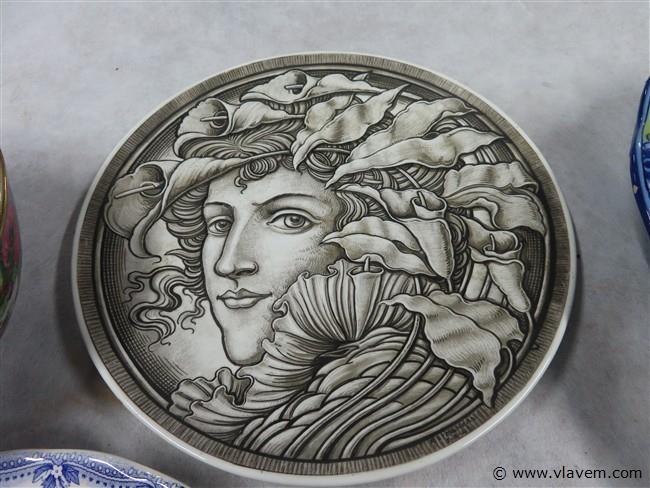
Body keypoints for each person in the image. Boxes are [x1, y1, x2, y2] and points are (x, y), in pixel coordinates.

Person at [105, 70, 541, 459]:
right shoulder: (258, 412)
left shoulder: (391, 402)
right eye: (219, 224)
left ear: (383, 240)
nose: (229, 263)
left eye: (290, 219)